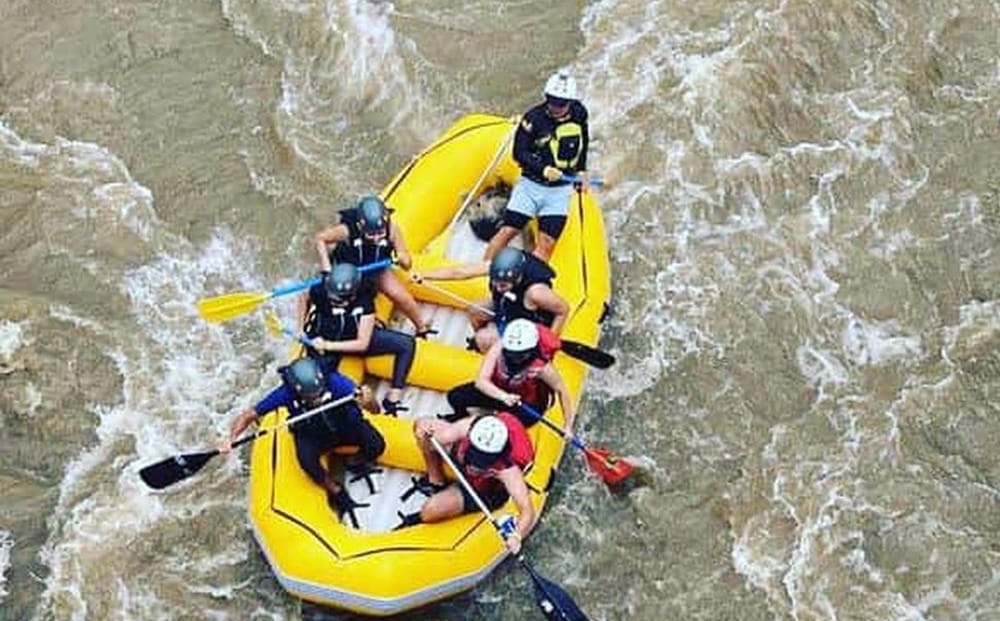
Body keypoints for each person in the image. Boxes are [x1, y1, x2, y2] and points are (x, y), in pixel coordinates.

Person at [220, 357, 385, 528]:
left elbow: (376, 410)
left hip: (342, 425)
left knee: (377, 445)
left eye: (320, 394)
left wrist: (369, 401)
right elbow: (248, 415)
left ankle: (354, 461)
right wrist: (231, 439)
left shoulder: (337, 383)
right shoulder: (285, 393)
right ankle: (335, 489)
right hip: (312, 433)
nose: (318, 400)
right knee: (306, 461)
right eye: (312, 397)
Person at [484, 69, 590, 261]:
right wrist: (543, 169)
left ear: (571, 102)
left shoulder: (579, 114)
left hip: (558, 192)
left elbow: (583, 142)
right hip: (530, 187)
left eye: (561, 103)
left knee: (547, 244)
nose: (556, 106)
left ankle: (529, 282)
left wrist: (581, 171)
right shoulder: (533, 118)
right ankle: (482, 272)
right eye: (552, 100)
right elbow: (519, 152)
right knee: (508, 231)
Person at [403, 413, 535, 554]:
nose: (477, 464)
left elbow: (527, 511)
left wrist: (516, 536)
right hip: (461, 458)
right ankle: (436, 480)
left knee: (429, 511)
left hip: (483, 490)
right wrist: (423, 432)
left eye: (483, 459)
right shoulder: (470, 427)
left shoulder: (508, 469)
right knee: (421, 427)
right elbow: (427, 427)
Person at [299, 262, 415, 415]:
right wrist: (300, 328)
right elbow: (303, 297)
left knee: (406, 344)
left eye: (341, 300)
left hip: (343, 340)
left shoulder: (365, 300)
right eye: (333, 298)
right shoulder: (320, 289)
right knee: (318, 380)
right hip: (323, 338)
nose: (336, 302)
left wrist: (328, 345)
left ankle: (394, 395)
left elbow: (362, 343)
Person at [313, 194, 436, 338]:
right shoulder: (347, 230)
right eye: (371, 234)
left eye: (380, 233)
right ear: (360, 226)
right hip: (349, 272)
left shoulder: (392, 230)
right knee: (348, 302)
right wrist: (327, 269)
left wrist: (402, 258)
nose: (377, 238)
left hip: (376, 268)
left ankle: (421, 328)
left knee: (401, 296)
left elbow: (407, 264)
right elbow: (320, 239)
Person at [410, 247, 568, 352]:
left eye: (504, 285)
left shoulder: (536, 293)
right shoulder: (497, 267)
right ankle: (490, 341)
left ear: (518, 277)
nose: (498, 287)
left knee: (482, 339)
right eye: (495, 282)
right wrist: (425, 275)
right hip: (510, 308)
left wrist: (548, 344)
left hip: (527, 323)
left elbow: (563, 310)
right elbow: (460, 272)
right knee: (473, 310)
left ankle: (493, 347)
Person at [445, 318, 575, 433]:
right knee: (455, 397)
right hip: (500, 393)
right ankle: (462, 420)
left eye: (518, 354)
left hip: (525, 406)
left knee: (504, 427)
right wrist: (504, 396)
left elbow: (562, 391)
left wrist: (568, 426)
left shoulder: (542, 368)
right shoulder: (500, 347)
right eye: (511, 352)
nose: (513, 357)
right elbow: (481, 381)